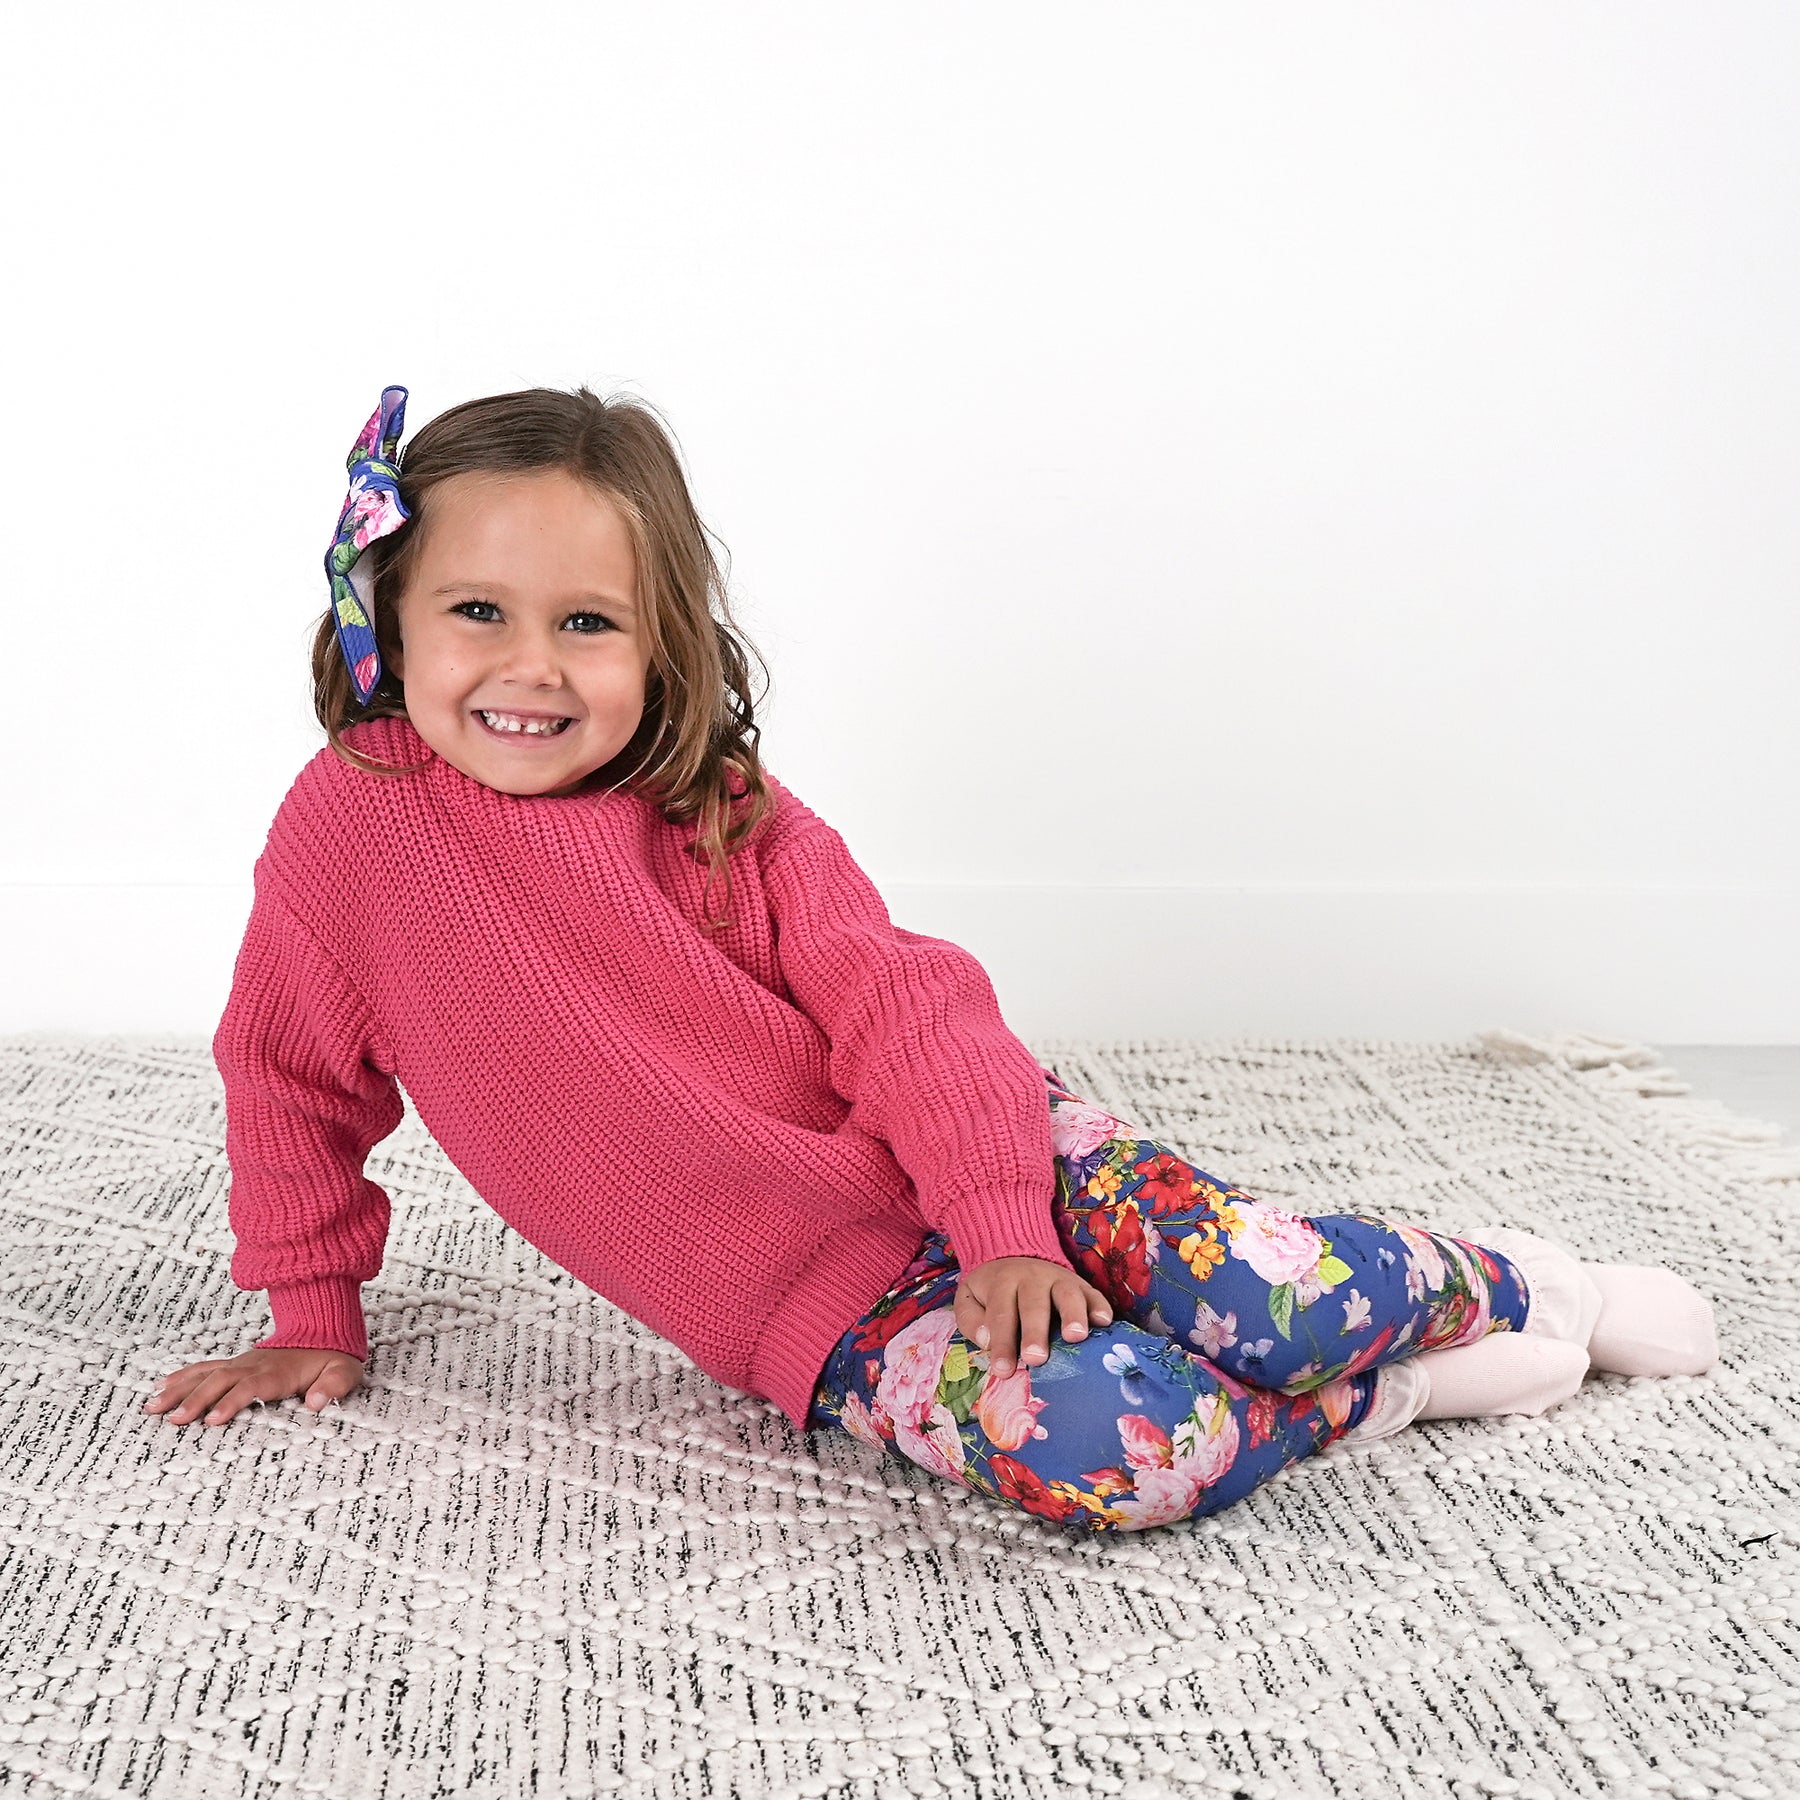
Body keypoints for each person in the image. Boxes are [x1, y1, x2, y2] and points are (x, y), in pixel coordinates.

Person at [145, 382, 1720, 1534]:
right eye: (479, 611)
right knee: (1129, 1450)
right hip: (821, 1306)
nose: (530, 669)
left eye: (589, 625)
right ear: (389, 619)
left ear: (664, 640)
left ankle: (1517, 1282)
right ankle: (1392, 1392)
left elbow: (908, 1009)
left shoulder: (717, 811)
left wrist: (1005, 1223)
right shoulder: (348, 827)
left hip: (1000, 1166)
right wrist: (310, 1309)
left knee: (1262, 1293)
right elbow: (287, 1071)